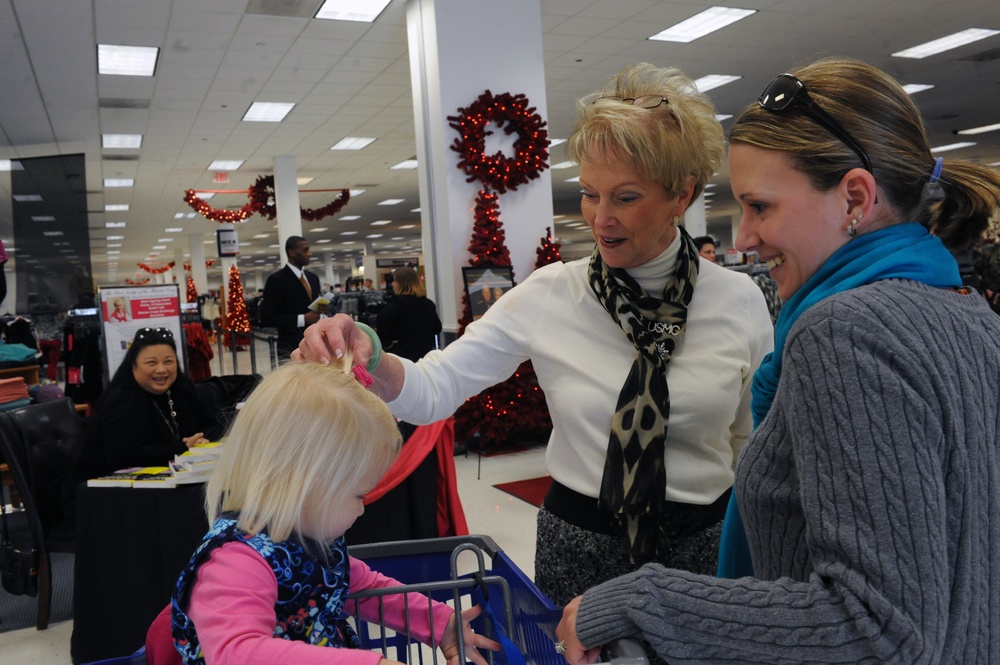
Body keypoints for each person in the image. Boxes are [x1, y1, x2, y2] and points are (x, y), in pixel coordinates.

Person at [554, 57, 1000, 664]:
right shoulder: (967, 312)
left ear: (855, 199)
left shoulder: (847, 331)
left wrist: (638, 599)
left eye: (761, 207)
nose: (742, 239)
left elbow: (876, 627)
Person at [297, 62, 773, 606]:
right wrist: (368, 350)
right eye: (591, 194)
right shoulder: (552, 295)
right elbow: (435, 389)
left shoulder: (738, 301)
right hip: (582, 554)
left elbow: (752, 444)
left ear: (682, 195)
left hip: (703, 553)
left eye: (626, 197)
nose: (600, 219)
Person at [170, 360, 499, 665]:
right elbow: (235, 652)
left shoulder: (310, 541)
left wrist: (439, 622)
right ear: (303, 484)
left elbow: (369, 589)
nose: (361, 509)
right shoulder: (236, 563)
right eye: (358, 494)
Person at [71, 327, 223, 485]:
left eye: (168, 361)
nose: (161, 369)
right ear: (133, 366)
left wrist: (201, 440)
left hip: (166, 483)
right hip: (101, 490)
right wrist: (183, 448)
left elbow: (211, 424)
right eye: (151, 362)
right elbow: (126, 457)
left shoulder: (181, 388)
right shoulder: (123, 400)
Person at [259, 235, 327, 359]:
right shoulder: (277, 280)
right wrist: (302, 319)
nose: (309, 254)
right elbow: (267, 318)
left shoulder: (313, 278)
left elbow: (312, 307)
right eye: (305, 250)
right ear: (292, 253)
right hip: (290, 348)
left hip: (316, 345)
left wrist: (321, 312)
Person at [375, 267, 442, 363]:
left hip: (403, 361)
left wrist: (390, 346)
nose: (393, 284)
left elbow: (382, 332)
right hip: (426, 358)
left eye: (395, 281)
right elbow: (437, 328)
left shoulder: (393, 308)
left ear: (403, 284)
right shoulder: (428, 304)